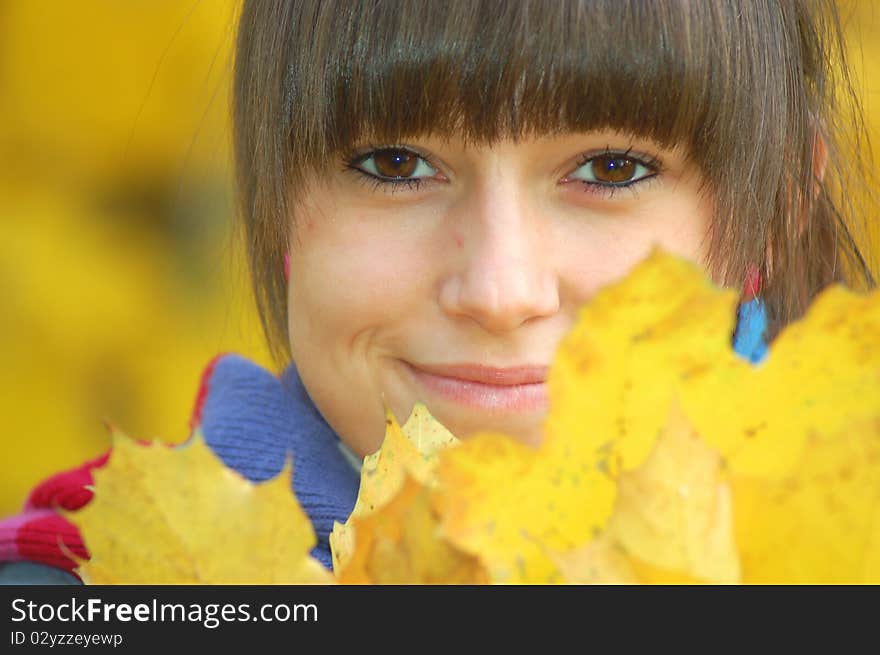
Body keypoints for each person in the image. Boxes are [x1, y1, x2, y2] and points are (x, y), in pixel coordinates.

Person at [1, 0, 875, 583]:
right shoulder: (77, 592)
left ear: (780, 206)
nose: (499, 290)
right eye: (395, 164)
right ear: (277, 209)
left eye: (611, 168)